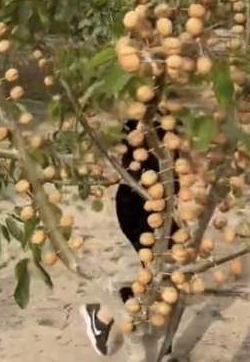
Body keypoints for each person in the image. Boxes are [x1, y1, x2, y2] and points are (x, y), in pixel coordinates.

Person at [80, 119, 181, 358]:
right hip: (137, 203)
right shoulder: (147, 115)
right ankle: (105, 312)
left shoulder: (169, 112)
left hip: (156, 203)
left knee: (168, 269)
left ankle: (107, 317)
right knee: (163, 270)